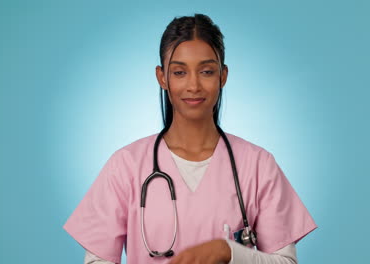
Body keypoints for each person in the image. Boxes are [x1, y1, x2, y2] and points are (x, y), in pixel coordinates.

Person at [63, 13, 317, 264]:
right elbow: (97, 261)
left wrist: (229, 252)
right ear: (162, 77)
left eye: (206, 71)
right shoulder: (126, 165)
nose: (193, 85)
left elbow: (286, 262)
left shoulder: (258, 165)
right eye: (179, 72)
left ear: (223, 76)